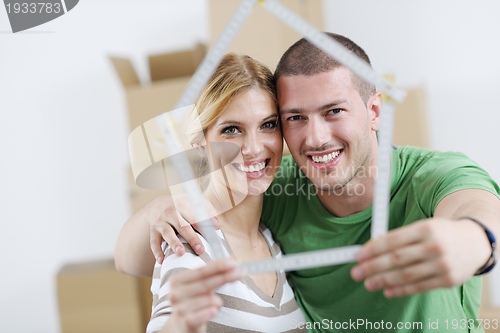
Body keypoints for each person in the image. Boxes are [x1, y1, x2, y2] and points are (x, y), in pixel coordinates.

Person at [115, 34, 500, 332]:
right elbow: (130, 261)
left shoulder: (432, 176)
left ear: (374, 111)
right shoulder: (271, 190)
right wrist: (164, 206)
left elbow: (477, 208)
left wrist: (474, 240)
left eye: (334, 111)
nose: (315, 138)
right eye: (294, 117)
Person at [135, 53, 306, 333]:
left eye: (268, 125)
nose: (253, 148)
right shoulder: (193, 243)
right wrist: (181, 324)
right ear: (201, 143)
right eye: (231, 130)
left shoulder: (269, 240)